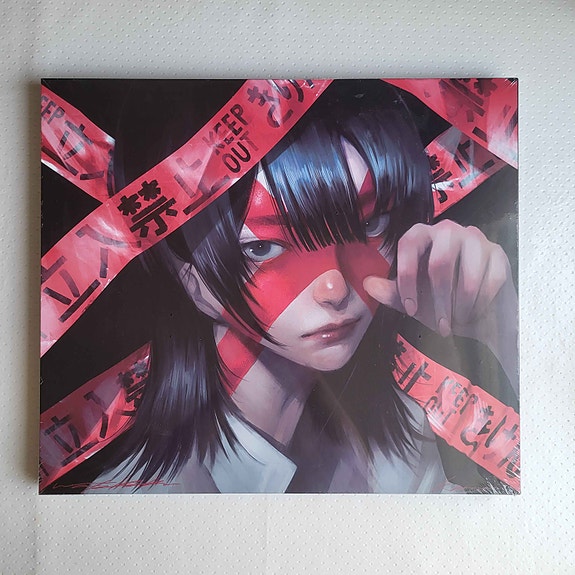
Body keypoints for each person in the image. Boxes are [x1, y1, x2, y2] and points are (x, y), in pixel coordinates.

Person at [86, 80, 518, 493]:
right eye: (262, 248)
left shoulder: (398, 439)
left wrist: (503, 326)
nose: (334, 288)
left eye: (369, 225)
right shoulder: (142, 504)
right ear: (189, 277)